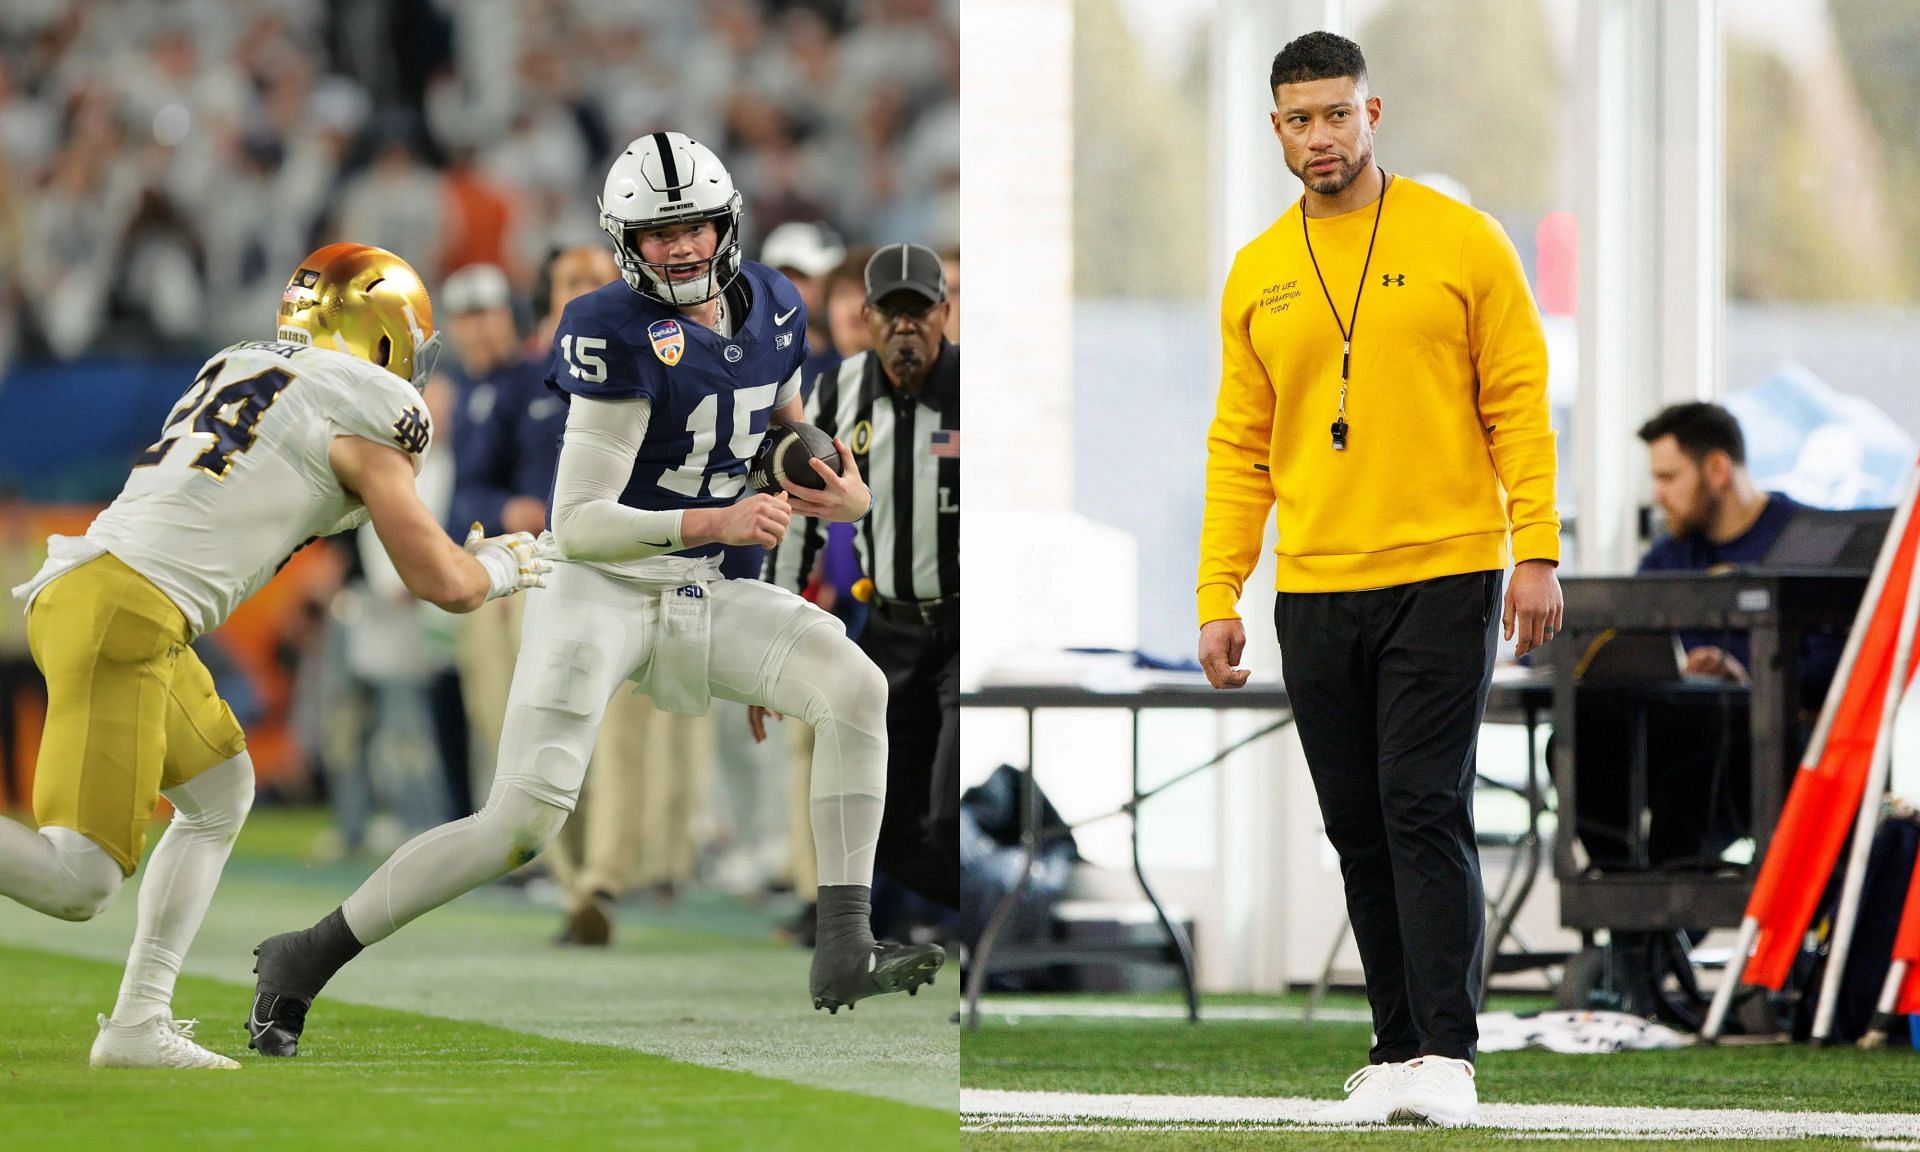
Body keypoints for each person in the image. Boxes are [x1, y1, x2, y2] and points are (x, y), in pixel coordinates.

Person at [247, 132, 943, 1057]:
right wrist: (716, 524)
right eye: (661, 235)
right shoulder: (610, 328)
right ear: (627, 244)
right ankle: (303, 956)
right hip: (599, 589)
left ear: (726, 222)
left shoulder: (775, 303)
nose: (684, 248)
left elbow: (777, 426)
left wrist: (830, 479)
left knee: (856, 688)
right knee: (520, 825)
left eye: (695, 225)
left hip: (696, 586)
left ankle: (844, 942)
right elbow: (577, 522)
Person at [0, 243, 549, 1069]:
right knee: (78, 882)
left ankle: (138, 1023)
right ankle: (134, 1025)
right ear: (385, 340)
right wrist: (508, 562)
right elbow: (446, 582)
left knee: (221, 789)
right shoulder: (367, 410)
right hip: (129, 609)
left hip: (109, 593)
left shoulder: (241, 362)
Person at [1195, 33, 1562, 1128]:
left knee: (1420, 804)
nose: (1321, 136)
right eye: (1300, 119)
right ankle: (1396, 1050)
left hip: (1447, 571)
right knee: (1356, 821)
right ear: (1277, 130)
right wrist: (1219, 592)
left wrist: (1534, 549)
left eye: (1338, 114)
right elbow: (1238, 446)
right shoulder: (1257, 271)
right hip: (1311, 588)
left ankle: (1449, 1053)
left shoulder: (1464, 241)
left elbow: (1518, 402)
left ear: (1375, 112)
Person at [762, 242, 960, 913]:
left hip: (965, 627)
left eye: (920, 310)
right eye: (890, 311)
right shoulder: (833, 392)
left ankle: (980, 923)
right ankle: (981, 913)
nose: (905, 326)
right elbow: (795, 518)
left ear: (946, 313)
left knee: (948, 813)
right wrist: (770, 643)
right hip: (891, 629)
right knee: (890, 829)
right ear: (867, 317)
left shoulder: (979, 392)